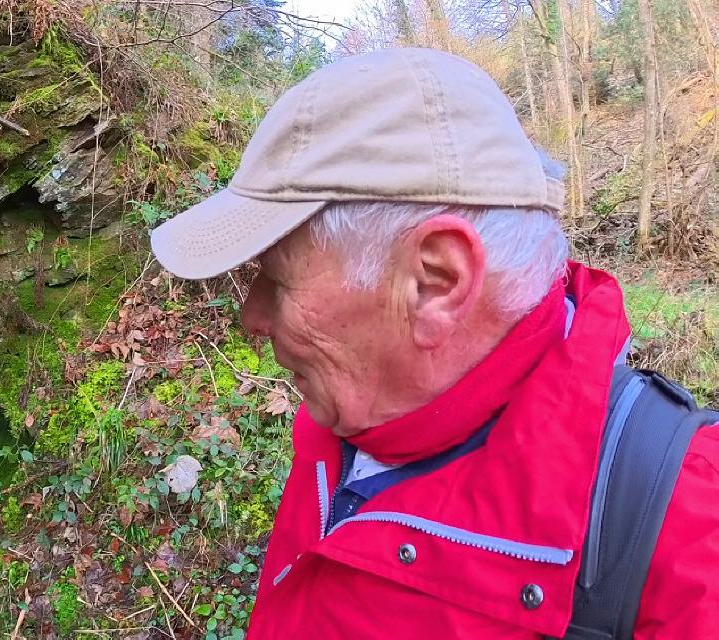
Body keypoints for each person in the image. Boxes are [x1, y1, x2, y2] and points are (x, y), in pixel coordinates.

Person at [149, 48, 719, 638]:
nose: (251, 315)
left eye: (278, 278)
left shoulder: (691, 533)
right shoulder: (349, 416)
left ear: (435, 283)